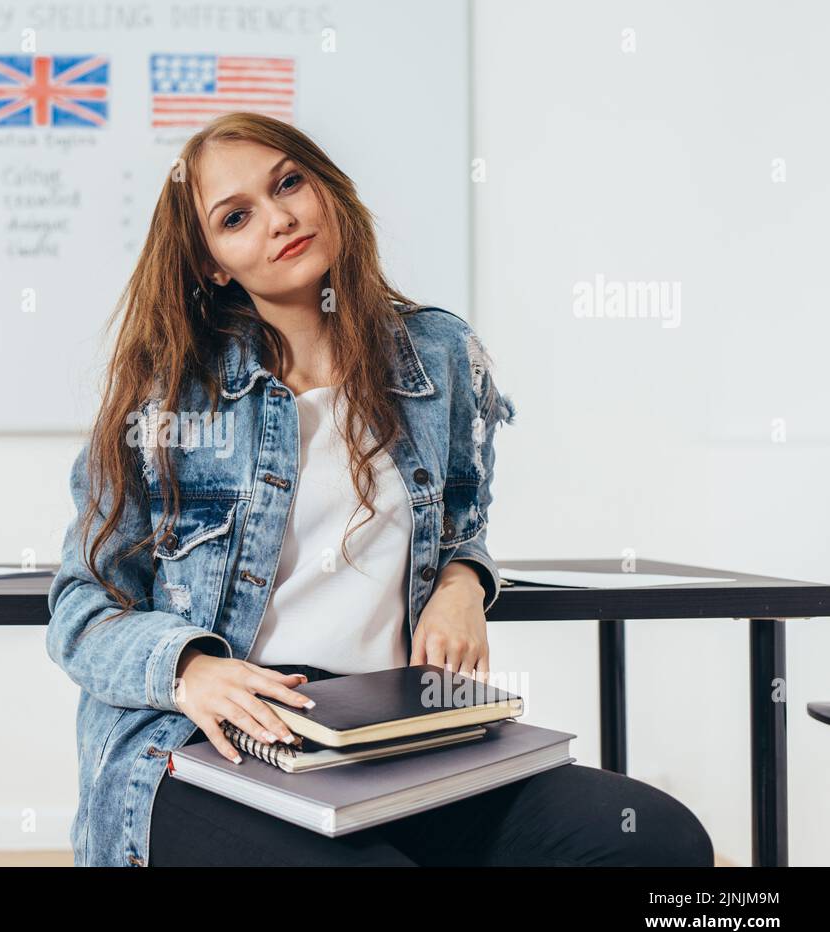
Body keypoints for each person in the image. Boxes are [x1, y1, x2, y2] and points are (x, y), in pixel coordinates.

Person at [46, 112, 713, 868]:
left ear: (326, 187)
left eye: (289, 183)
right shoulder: (168, 396)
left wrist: (464, 579)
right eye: (236, 217)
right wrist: (190, 670)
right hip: (208, 745)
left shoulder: (438, 355)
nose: (281, 218)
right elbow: (81, 607)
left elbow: (461, 521)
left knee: (659, 841)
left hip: (395, 731)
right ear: (214, 266)